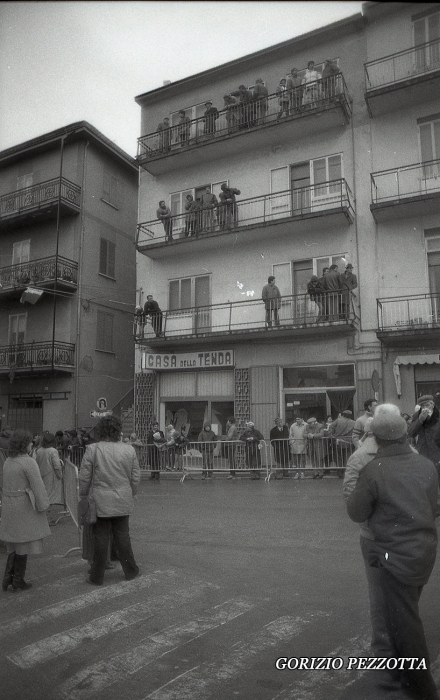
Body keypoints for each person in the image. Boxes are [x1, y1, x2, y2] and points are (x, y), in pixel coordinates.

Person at [346, 409, 439, 700]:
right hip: (423, 551)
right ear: (404, 433)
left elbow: (356, 511)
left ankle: (422, 689)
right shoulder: (426, 465)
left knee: (405, 621)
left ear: (375, 436)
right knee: (402, 611)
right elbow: (435, 506)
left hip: (391, 555)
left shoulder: (373, 469)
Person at [79, 415, 140, 586]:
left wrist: (83, 494)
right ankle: (131, 571)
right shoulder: (129, 450)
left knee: (101, 537)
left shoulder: (93, 449)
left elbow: (84, 476)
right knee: (123, 536)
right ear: (118, 431)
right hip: (123, 497)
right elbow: (135, 477)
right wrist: (132, 492)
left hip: (101, 499)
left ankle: (97, 575)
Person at [0, 429, 51, 591]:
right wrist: (44, 506)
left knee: (15, 543)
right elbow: (38, 486)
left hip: (10, 506)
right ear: (24, 444)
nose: (32, 443)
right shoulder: (28, 462)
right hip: (24, 506)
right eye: (29, 441)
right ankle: (18, 580)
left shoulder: (9, 460)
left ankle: (8, 578)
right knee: (23, 544)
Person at [408, 395, 440, 483]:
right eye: (422, 406)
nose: (425, 408)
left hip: (437, 452)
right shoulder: (417, 415)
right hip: (423, 452)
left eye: (427, 405)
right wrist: (420, 420)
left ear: (432, 405)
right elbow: (411, 433)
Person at [34, 432, 63, 522]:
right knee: (50, 497)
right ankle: (47, 517)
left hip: (41, 474)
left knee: (44, 495)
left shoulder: (39, 450)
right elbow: (56, 465)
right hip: (51, 476)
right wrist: (60, 475)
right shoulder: (53, 451)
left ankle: (42, 516)